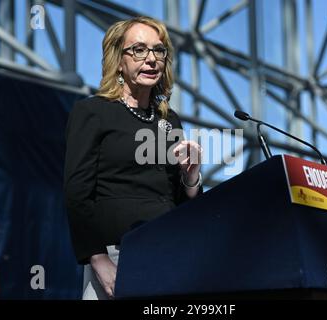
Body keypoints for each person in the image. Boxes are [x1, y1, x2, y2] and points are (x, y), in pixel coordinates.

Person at [63, 16, 203, 300]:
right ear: (119, 60)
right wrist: (98, 258)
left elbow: (180, 200)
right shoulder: (92, 112)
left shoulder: (169, 120)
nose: (151, 59)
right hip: (115, 257)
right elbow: (77, 193)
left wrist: (191, 178)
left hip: (169, 255)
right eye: (139, 49)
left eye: (158, 50)